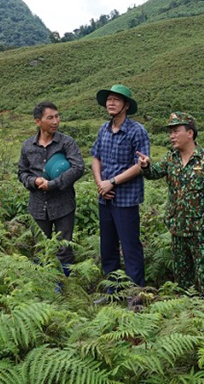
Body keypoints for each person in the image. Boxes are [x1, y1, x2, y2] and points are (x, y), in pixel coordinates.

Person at [138, 112, 204, 302]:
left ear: (190, 133)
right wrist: (146, 166)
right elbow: (154, 173)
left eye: (175, 131)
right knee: (182, 277)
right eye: (170, 132)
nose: (171, 136)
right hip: (178, 228)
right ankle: (186, 315)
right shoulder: (171, 158)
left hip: (201, 230)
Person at [91, 84, 150, 289]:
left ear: (125, 105)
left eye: (116, 100)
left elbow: (139, 166)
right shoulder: (104, 129)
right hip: (104, 197)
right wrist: (100, 183)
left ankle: (136, 296)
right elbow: (95, 158)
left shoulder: (137, 131)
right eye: (109, 99)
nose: (111, 103)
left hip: (126, 199)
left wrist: (112, 182)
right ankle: (112, 292)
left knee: (130, 247)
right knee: (107, 247)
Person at [18, 101, 85, 275]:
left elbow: (78, 168)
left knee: (64, 249)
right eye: (50, 118)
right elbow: (22, 172)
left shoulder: (67, 143)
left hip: (63, 205)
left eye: (57, 116)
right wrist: (34, 182)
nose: (55, 121)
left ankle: (64, 287)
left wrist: (53, 184)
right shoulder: (27, 146)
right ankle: (43, 285)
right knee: (41, 248)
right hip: (37, 206)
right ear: (38, 122)